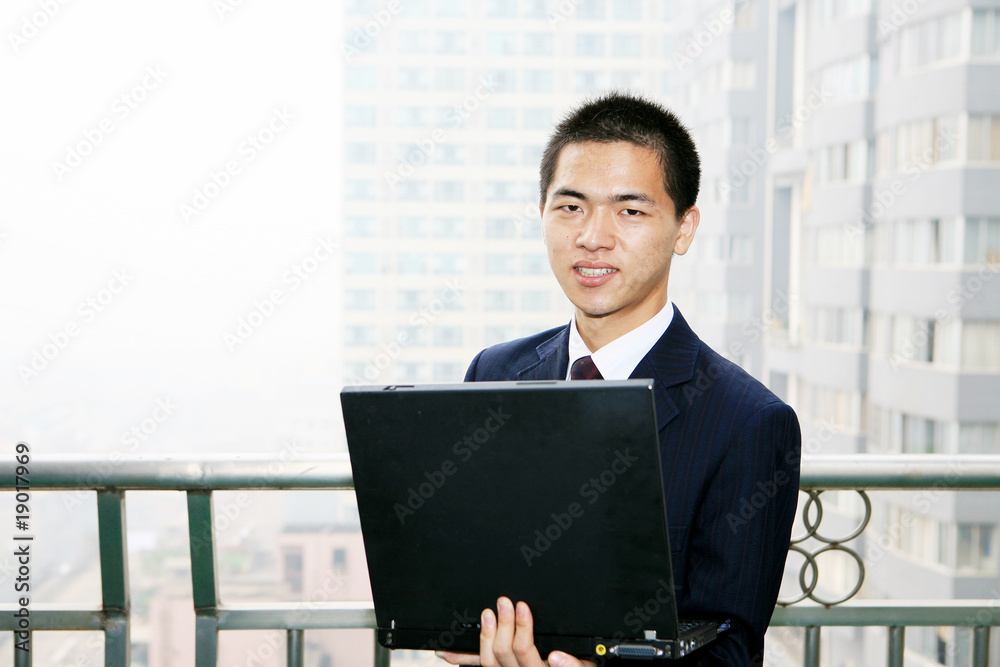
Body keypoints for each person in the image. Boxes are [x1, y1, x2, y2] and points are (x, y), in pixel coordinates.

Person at [437, 92, 801, 667]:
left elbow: (731, 651)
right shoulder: (496, 373)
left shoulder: (748, 422)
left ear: (684, 228)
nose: (593, 237)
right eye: (571, 207)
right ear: (542, 214)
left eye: (630, 211)